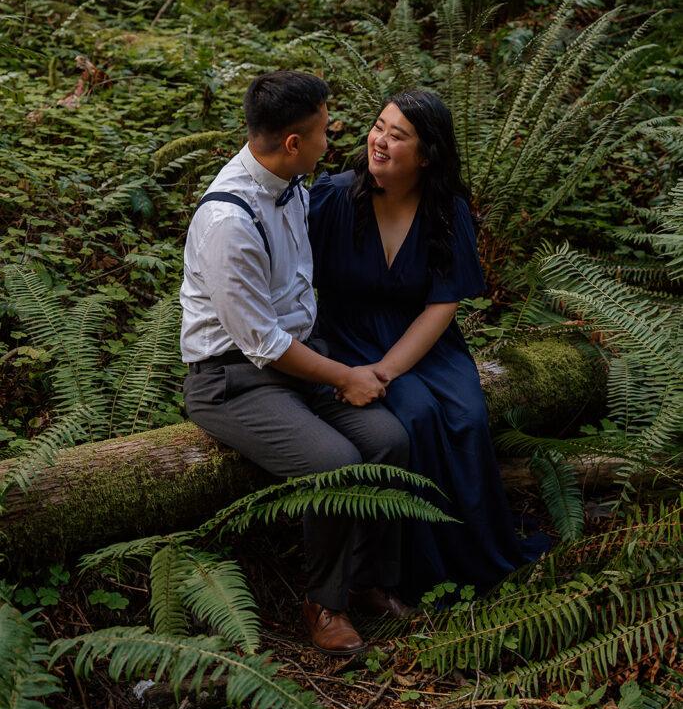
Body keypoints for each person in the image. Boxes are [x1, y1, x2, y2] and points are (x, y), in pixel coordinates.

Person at [180, 71, 412, 656]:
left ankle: (366, 581)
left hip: (298, 363)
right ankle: (323, 602)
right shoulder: (228, 222)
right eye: (324, 132)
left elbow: (355, 184)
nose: (332, 141)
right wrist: (347, 376)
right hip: (233, 380)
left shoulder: (295, 183)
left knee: (389, 439)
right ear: (292, 143)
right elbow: (261, 343)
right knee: (335, 463)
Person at [308, 89, 549, 603]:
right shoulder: (331, 197)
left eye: (398, 136)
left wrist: (388, 371)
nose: (380, 141)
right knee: (415, 417)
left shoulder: (446, 209)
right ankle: (414, 571)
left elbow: (442, 305)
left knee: (468, 416)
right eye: (379, 127)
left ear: (427, 153)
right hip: (349, 335)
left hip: (423, 339)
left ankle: (475, 554)